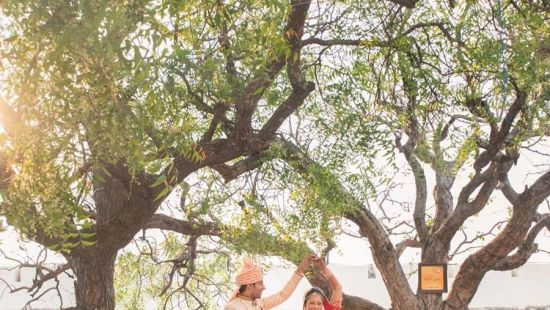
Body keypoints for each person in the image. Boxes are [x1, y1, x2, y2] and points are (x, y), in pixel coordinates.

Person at [225, 254, 316, 310]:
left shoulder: (259, 303)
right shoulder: (233, 307)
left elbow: (282, 295)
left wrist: (300, 270)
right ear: (249, 285)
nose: (264, 287)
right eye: (260, 284)